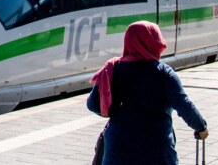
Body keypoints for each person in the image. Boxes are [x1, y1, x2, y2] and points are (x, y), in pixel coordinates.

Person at [87, 21, 208, 165]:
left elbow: (93, 104)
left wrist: (117, 112)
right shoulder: (164, 73)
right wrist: (201, 127)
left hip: (118, 149)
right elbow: (184, 105)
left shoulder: (112, 69)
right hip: (156, 150)